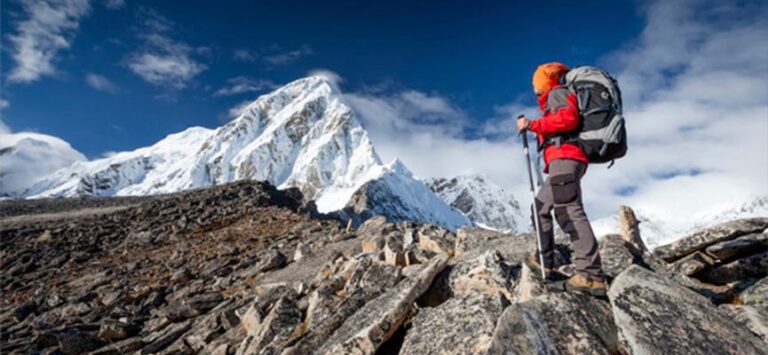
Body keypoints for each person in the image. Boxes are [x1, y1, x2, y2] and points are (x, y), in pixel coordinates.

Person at [516, 62, 608, 296]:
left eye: (536, 81)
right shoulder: (553, 98)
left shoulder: (557, 93)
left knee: (568, 210)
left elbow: (568, 120)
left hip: (566, 158)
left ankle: (591, 275)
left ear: (544, 81)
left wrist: (533, 125)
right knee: (540, 207)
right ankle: (544, 260)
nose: (534, 86)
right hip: (562, 161)